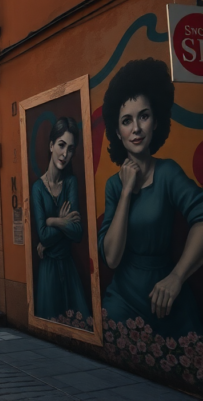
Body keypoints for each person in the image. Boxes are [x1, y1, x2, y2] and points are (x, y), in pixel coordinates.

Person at [99, 58, 203, 339]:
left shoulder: (168, 173)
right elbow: (111, 257)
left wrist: (177, 277)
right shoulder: (113, 186)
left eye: (143, 116)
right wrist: (125, 192)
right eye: (126, 121)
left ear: (155, 121)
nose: (136, 128)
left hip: (166, 296)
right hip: (123, 299)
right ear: (118, 133)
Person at [32, 117, 92, 322]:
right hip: (48, 273)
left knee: (79, 321)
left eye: (71, 148)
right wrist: (59, 221)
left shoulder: (70, 183)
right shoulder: (38, 189)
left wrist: (51, 222)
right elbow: (43, 235)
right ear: (51, 145)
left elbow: (77, 233)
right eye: (61, 145)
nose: (65, 154)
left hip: (68, 269)